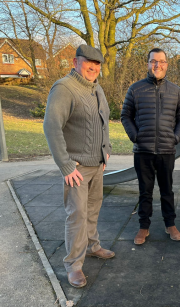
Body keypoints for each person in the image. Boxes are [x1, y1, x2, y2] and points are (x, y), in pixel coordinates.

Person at [44, 45, 115, 288]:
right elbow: (51, 127)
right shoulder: (64, 88)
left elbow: (103, 121)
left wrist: (105, 151)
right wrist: (65, 165)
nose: (94, 68)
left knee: (93, 209)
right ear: (75, 62)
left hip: (97, 164)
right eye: (89, 64)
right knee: (77, 215)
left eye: (97, 66)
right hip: (76, 169)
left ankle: (93, 246)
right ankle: (73, 265)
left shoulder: (97, 88)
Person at [121, 48, 180, 245]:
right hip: (143, 151)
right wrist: (135, 136)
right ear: (148, 64)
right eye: (153, 61)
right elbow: (126, 116)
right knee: (145, 191)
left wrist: (175, 137)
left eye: (161, 61)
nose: (157, 65)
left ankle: (170, 224)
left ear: (167, 64)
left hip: (167, 150)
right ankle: (144, 227)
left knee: (167, 190)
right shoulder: (135, 89)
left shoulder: (175, 90)